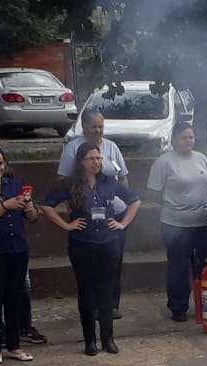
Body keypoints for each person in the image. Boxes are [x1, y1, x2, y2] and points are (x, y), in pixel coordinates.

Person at [42, 143, 140, 356]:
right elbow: (47, 204)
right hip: (83, 244)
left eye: (98, 158)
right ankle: (90, 340)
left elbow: (134, 201)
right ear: (81, 161)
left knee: (106, 292)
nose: (96, 162)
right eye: (91, 159)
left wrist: (122, 223)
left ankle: (108, 338)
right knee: (87, 292)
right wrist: (67, 225)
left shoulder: (109, 182)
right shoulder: (70, 184)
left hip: (108, 242)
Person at [58, 108, 130, 319]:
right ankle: (94, 306)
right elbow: (63, 180)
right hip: (87, 215)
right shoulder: (73, 148)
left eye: (101, 126)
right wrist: (72, 207)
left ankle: (111, 304)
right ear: (84, 127)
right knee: (92, 266)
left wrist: (124, 202)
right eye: (94, 127)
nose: (98, 130)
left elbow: (123, 176)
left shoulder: (111, 147)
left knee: (114, 260)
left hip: (114, 213)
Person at [0, 129, 46, 344]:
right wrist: (5, 205)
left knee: (14, 297)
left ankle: (14, 344)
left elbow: (33, 216)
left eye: (1, 163)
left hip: (17, 249)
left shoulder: (13, 184)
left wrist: (28, 208)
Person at [146, 122, 207, 322]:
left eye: (191, 137)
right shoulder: (164, 162)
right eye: (184, 137)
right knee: (178, 267)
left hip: (203, 221)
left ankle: (206, 304)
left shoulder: (201, 158)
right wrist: (176, 205)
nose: (189, 141)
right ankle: (178, 306)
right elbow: (153, 192)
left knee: (205, 265)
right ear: (174, 140)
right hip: (176, 224)